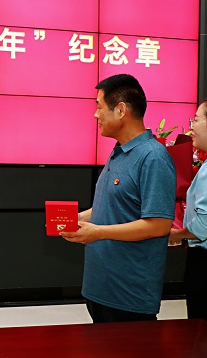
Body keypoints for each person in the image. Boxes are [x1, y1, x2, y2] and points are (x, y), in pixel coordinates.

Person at [61, 74, 176, 323]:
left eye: (99, 107)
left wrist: (98, 232)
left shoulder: (153, 157)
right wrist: (78, 219)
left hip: (128, 294)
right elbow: (114, 205)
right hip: (100, 287)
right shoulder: (120, 152)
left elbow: (159, 225)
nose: (95, 115)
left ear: (121, 110)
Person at [169, 98, 207, 321]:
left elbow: (205, 223)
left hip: (205, 260)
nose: (191, 126)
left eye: (196, 120)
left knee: (201, 327)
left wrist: (177, 234)